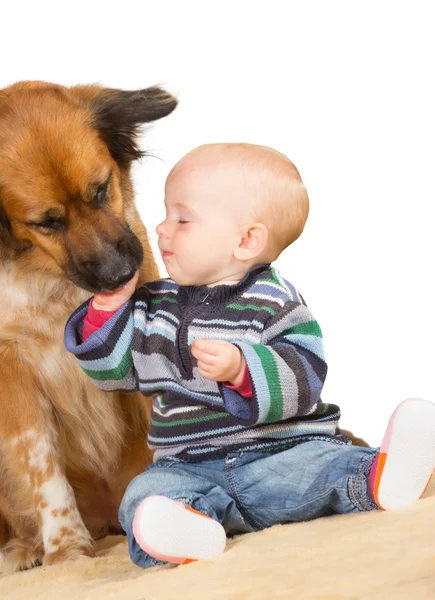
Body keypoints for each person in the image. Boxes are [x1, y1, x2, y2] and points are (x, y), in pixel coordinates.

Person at [64, 143, 435, 568]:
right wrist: (109, 307)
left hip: (276, 454)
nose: (161, 229)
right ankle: (189, 531)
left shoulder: (274, 302)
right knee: (141, 498)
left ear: (246, 240)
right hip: (189, 469)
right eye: (165, 214)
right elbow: (111, 371)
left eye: (182, 219)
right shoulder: (152, 307)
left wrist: (244, 369)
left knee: (321, 468)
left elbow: (304, 376)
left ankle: (380, 478)